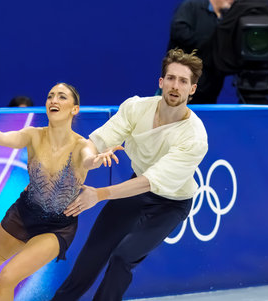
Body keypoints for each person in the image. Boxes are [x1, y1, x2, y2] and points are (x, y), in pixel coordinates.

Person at [0, 83, 122, 301]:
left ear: (75, 109)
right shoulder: (33, 135)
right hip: (23, 215)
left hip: (57, 227)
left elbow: (88, 159)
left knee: (7, 277)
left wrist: (98, 159)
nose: (53, 100)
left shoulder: (82, 145)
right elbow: (3, 137)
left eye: (62, 97)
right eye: (50, 96)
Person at [51, 49, 209, 301]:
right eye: (170, 78)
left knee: (122, 258)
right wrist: (89, 158)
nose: (175, 86)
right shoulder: (136, 108)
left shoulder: (194, 137)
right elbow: (97, 140)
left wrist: (99, 194)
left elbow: (149, 182)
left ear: (192, 89)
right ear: (161, 82)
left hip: (171, 203)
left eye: (183, 81)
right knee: (89, 261)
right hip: (136, 191)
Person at [167, 0, 235, 104]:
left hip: (210, 88)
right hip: (183, 83)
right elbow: (179, 30)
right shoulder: (191, 5)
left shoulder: (229, 16)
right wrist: (210, 45)